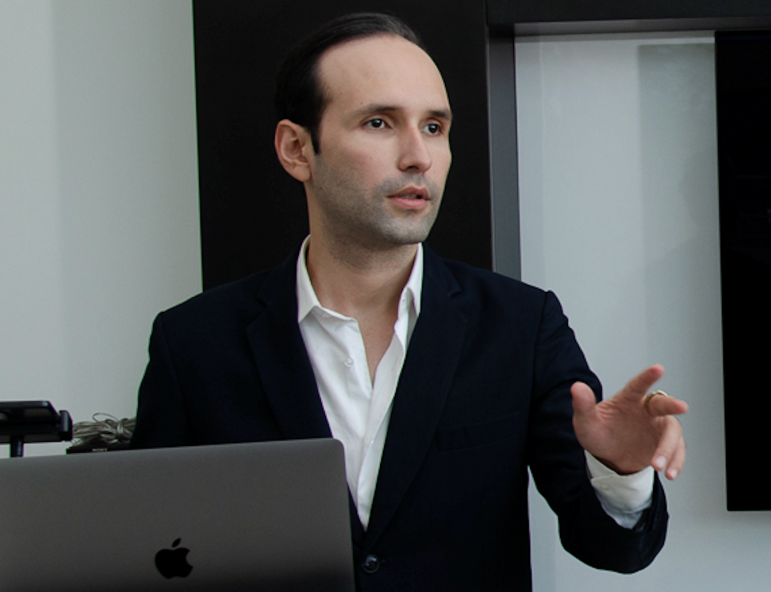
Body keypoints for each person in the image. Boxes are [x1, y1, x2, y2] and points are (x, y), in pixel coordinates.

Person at [130, 12, 688, 591]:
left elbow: (615, 550)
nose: (418, 156)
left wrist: (621, 469)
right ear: (297, 149)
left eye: (434, 127)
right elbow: (148, 548)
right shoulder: (193, 343)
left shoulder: (521, 325)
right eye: (379, 122)